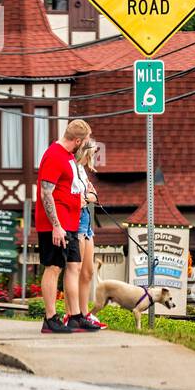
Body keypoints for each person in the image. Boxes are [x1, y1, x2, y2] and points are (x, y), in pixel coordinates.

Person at [35, 119, 98, 333]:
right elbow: (46, 192)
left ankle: (76, 316)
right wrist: (56, 225)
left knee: (73, 267)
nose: (86, 146)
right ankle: (50, 318)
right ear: (78, 140)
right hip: (56, 224)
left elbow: (71, 187)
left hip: (71, 221)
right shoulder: (54, 155)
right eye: (85, 141)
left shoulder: (69, 156)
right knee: (53, 267)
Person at [73, 137, 107, 329]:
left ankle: (85, 313)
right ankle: (75, 313)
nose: (92, 157)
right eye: (91, 153)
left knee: (88, 271)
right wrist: (86, 196)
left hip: (86, 219)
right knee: (75, 270)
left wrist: (86, 197)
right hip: (77, 219)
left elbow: (93, 196)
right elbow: (81, 197)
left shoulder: (83, 172)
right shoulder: (71, 168)